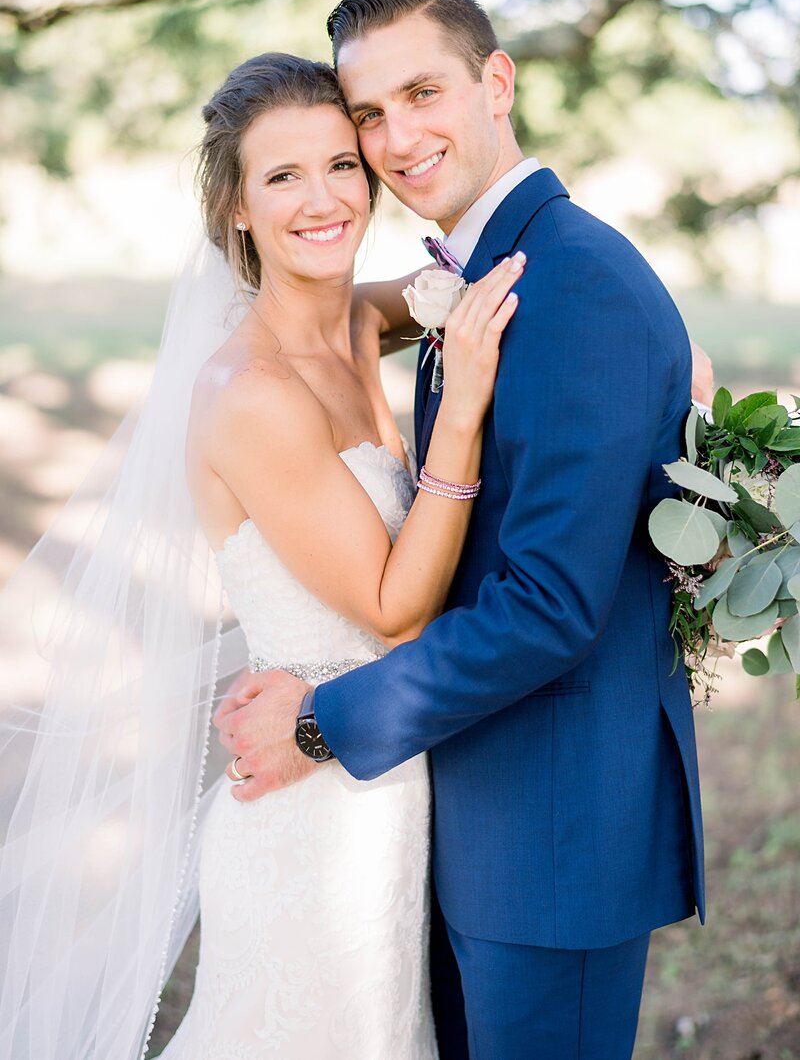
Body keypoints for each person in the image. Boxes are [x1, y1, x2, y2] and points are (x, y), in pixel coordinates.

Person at [216, 0, 708, 1060]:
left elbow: (544, 608)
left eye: (422, 92)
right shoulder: (473, 274)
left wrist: (317, 720)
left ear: (496, 81)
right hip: (460, 814)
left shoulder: (570, 286)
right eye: (369, 116)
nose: (396, 138)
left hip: (549, 840)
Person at [0, 51, 524, 1060]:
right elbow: (395, 608)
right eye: (282, 177)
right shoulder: (252, 393)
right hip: (309, 821)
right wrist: (457, 409)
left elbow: (423, 293)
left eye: (340, 164)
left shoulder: (352, 323)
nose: (323, 198)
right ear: (235, 208)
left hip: (386, 783)